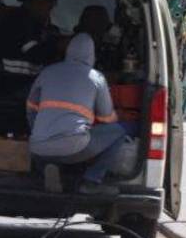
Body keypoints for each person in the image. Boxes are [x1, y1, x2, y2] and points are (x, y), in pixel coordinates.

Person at [26, 32, 129, 193]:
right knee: (119, 132)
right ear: (92, 55)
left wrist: (39, 131)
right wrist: (118, 115)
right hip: (74, 148)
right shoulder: (96, 78)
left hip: (38, 147)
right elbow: (106, 118)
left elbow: (31, 108)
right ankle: (91, 181)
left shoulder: (47, 72)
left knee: (50, 147)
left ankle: (49, 169)